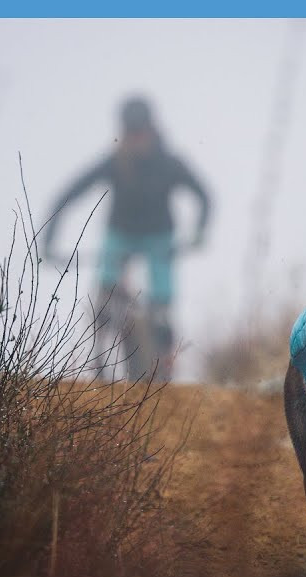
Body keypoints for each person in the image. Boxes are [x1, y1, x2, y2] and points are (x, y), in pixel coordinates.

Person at [43, 95, 211, 380]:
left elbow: (204, 196)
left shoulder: (170, 163)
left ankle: (164, 357)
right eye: (129, 132)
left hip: (159, 237)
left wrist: (199, 232)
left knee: (161, 301)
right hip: (120, 234)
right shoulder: (114, 163)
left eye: (139, 131)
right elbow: (69, 194)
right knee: (106, 290)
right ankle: (99, 354)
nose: (135, 138)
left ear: (151, 129)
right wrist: (49, 238)